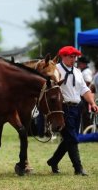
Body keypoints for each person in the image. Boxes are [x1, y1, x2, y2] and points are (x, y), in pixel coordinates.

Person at [47, 46, 98, 176]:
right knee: (73, 139)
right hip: (63, 109)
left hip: (77, 108)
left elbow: (84, 89)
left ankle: (53, 161)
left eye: (75, 56)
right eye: (70, 56)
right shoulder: (56, 69)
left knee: (69, 138)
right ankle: (78, 168)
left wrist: (92, 102)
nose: (73, 59)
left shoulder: (77, 71)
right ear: (62, 56)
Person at [77, 56, 93, 131]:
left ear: (83, 64)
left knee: (85, 114)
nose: (78, 64)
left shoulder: (86, 72)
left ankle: (87, 131)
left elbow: (88, 82)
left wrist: (80, 90)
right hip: (82, 95)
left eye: (79, 63)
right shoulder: (83, 71)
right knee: (83, 114)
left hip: (85, 95)